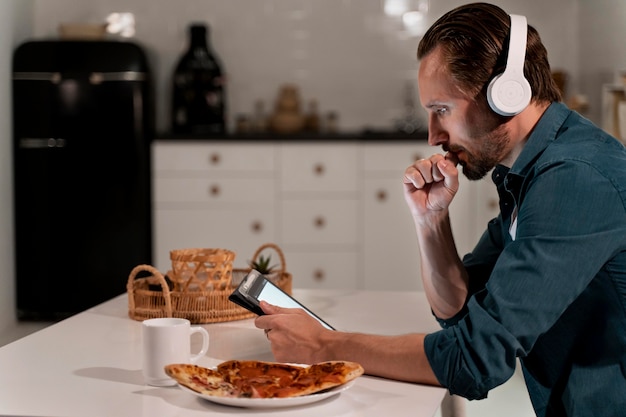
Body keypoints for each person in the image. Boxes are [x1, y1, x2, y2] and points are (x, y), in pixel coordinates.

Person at [255, 3, 626, 416]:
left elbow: (475, 360)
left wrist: (323, 346)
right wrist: (430, 222)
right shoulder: (530, 171)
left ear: (505, 95)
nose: (433, 136)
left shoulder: (575, 179)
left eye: (441, 111)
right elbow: (459, 313)